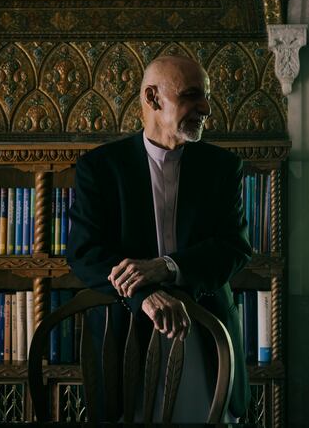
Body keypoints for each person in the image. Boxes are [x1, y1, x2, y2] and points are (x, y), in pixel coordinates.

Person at [66, 55, 251, 421]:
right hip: (124, 337)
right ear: (152, 98)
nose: (205, 108)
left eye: (206, 96)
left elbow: (234, 247)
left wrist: (166, 267)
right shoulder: (100, 168)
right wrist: (145, 294)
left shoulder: (222, 168)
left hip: (206, 336)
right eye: (192, 95)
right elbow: (85, 253)